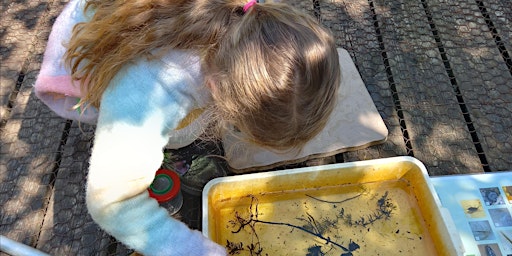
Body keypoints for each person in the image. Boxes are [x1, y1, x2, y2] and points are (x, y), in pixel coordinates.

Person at [34, 0, 340, 254]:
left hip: (145, 25)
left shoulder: (258, 28)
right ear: (216, 89)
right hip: (87, 51)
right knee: (135, 146)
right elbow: (110, 203)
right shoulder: (148, 91)